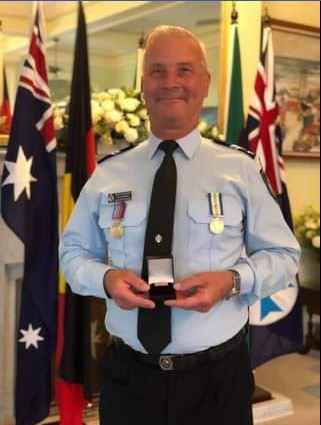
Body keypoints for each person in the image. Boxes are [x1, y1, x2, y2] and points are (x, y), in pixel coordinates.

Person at [60, 25, 301, 425]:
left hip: (216, 381)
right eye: (157, 71)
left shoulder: (239, 169)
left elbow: (284, 256)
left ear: (205, 82)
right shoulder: (108, 174)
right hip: (129, 378)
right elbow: (71, 253)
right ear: (143, 85)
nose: (170, 82)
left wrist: (232, 280)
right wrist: (104, 279)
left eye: (184, 70)